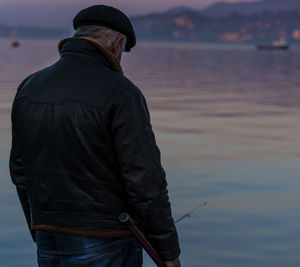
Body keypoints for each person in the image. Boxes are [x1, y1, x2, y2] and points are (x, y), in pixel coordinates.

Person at [9, 5, 181, 267]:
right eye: (122, 52)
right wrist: (168, 253)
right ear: (117, 44)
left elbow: (19, 170)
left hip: (48, 239)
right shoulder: (121, 91)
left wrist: (39, 226)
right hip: (107, 241)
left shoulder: (29, 86)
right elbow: (144, 179)